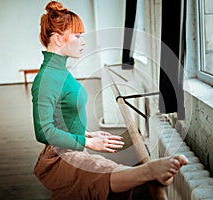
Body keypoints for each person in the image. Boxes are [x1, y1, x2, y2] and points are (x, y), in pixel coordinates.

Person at [31, 1, 188, 199]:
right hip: (59, 156)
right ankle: (148, 171)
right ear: (58, 39)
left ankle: (147, 172)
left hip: (71, 149)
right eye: (78, 36)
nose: (83, 41)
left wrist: (88, 135)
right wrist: (87, 143)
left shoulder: (60, 71)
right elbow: (43, 131)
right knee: (102, 171)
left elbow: (61, 117)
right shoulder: (47, 79)